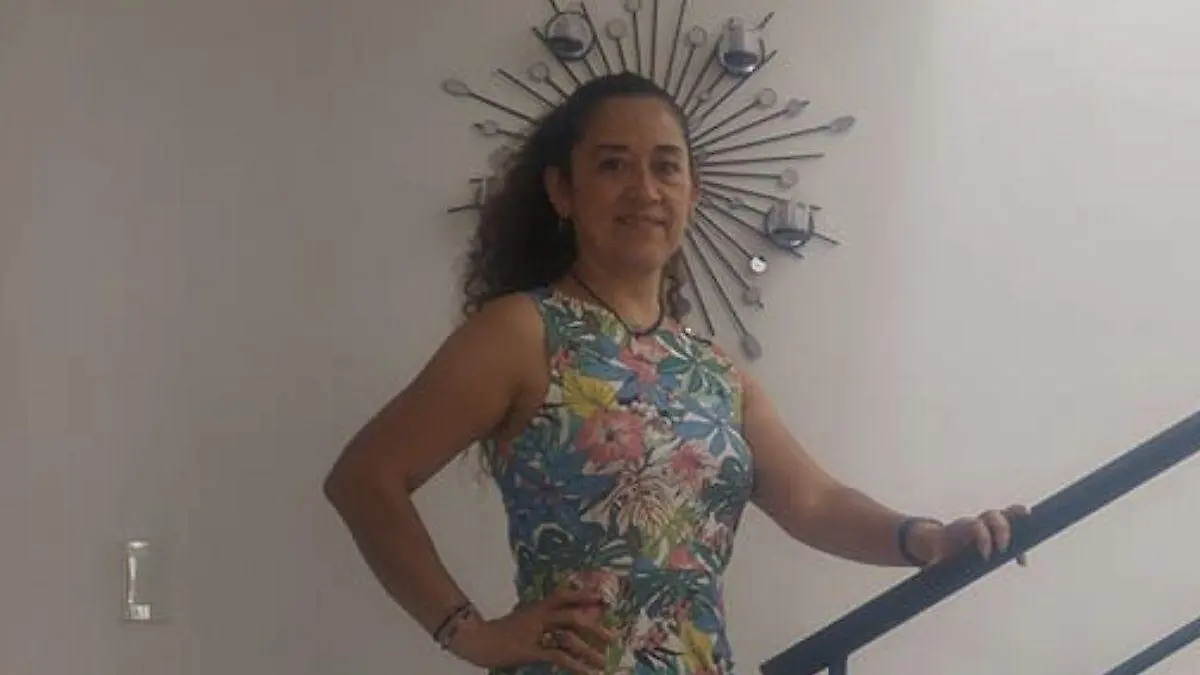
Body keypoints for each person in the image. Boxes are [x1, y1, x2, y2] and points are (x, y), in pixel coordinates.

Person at [323, 72, 1028, 675]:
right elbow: (365, 478)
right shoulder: (521, 332)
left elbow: (814, 502)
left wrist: (926, 539)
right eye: (612, 165)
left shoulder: (715, 371)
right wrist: (469, 632)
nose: (644, 189)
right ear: (562, 190)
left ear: (692, 193)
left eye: (666, 167)